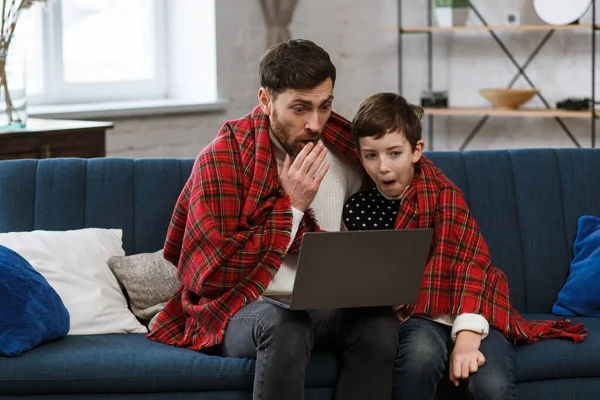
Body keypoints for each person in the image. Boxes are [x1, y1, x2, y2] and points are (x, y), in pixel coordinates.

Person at [146, 40, 398, 400]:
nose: (315, 123)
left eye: (324, 107)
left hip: (320, 303)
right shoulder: (222, 160)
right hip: (240, 307)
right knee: (285, 325)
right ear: (265, 101)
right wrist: (293, 205)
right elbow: (209, 274)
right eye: (299, 108)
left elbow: (405, 182)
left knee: (379, 323)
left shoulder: (346, 154)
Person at [342, 92, 588, 400]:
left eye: (394, 153)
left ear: (416, 151)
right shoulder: (359, 210)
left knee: (491, 385)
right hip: (419, 315)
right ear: (359, 155)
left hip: (476, 306)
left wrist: (468, 337)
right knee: (420, 357)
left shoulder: (443, 195)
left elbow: (472, 265)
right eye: (371, 156)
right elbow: (368, 277)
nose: (383, 168)